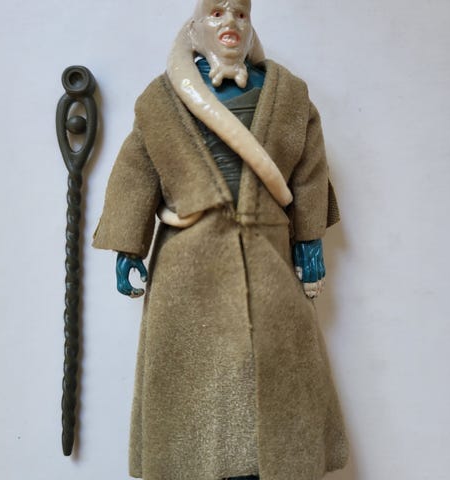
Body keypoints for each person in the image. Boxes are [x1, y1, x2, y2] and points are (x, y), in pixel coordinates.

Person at [93, 1, 349, 479]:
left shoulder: (289, 96)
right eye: (215, 13)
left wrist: (309, 240)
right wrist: (129, 244)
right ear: (194, 29)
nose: (230, 22)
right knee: (193, 385)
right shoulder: (161, 99)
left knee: (277, 375)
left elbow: (310, 171)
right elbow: (137, 169)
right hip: (187, 262)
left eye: (240, 14)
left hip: (269, 254)